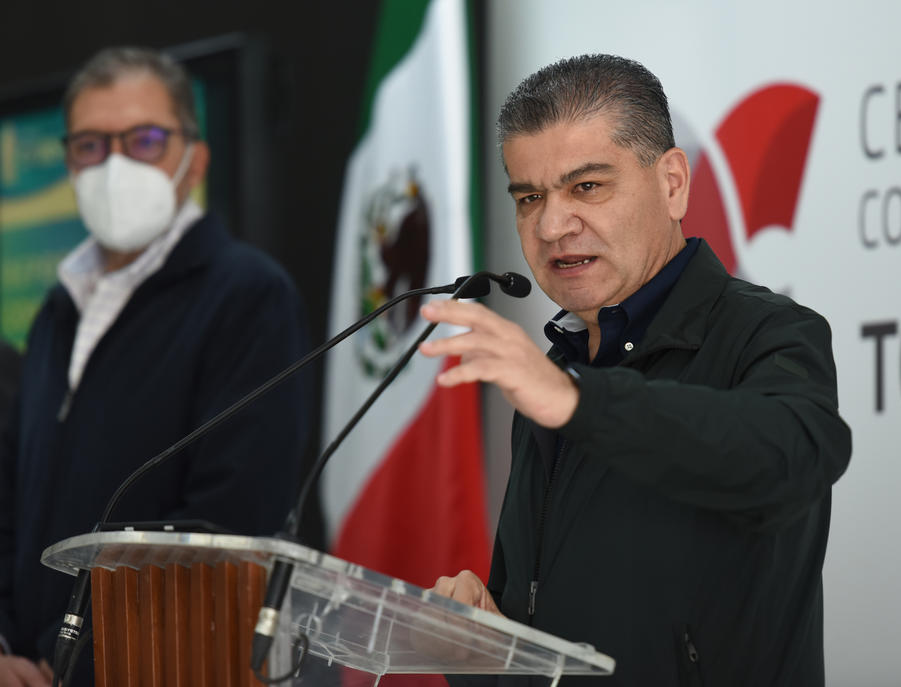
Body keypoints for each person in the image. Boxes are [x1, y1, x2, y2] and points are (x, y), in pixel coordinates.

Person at [419, 55, 852, 686]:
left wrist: (579, 402)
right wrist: (483, 650)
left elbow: (795, 457)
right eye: (530, 197)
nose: (551, 225)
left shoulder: (768, 332)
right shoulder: (558, 369)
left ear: (673, 183)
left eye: (587, 187)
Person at [0, 47, 312, 686]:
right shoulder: (57, 311)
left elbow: (230, 526)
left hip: (155, 670)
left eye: (144, 140)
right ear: (69, 163)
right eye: (91, 145)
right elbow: (9, 501)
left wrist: (68, 663)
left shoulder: (248, 295)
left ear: (194, 159)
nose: (114, 165)